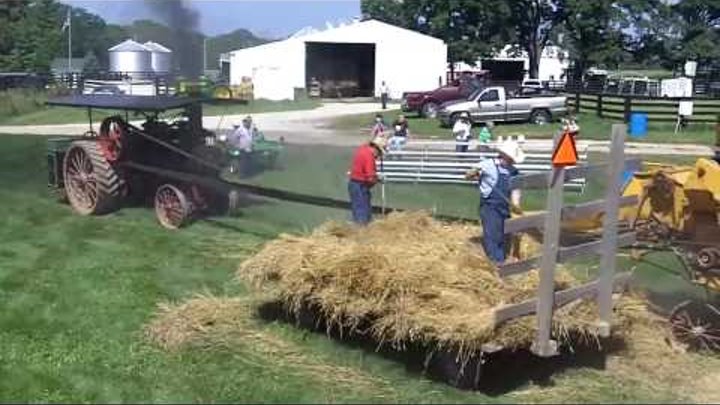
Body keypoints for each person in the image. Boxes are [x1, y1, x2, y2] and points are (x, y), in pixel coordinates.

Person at [465, 140, 526, 263]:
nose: (511, 161)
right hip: (490, 206)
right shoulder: (488, 165)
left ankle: (502, 258)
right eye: (510, 158)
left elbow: (516, 190)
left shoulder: (514, 172)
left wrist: (516, 204)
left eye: (512, 159)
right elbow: (469, 174)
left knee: (504, 235)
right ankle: (496, 263)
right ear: (503, 155)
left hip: (505, 207)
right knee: (493, 234)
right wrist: (472, 173)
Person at [348, 136, 387, 225]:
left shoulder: (362, 149)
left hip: (354, 183)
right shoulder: (369, 157)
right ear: (376, 149)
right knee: (363, 211)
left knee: (359, 208)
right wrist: (378, 179)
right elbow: (370, 177)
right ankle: (362, 230)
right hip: (360, 186)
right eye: (379, 153)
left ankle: (360, 226)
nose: (378, 156)